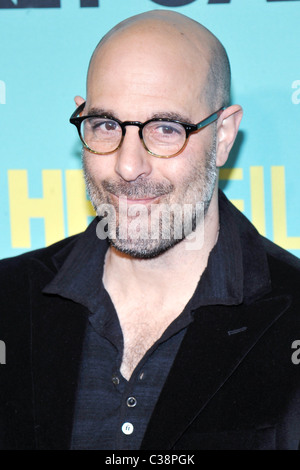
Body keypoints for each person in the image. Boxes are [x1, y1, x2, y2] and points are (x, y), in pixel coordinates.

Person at [0, 10, 299, 451]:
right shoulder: (7, 296)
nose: (127, 165)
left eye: (164, 129)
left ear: (222, 136)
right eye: (106, 125)